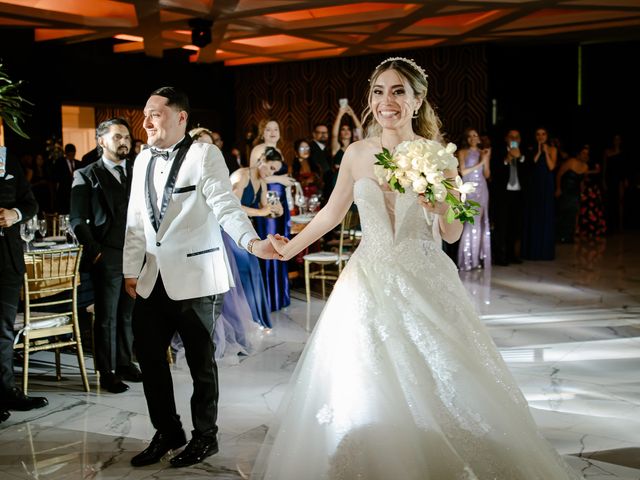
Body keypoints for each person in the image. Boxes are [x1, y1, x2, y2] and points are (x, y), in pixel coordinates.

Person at [254, 58, 582, 479]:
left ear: (417, 99)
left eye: (397, 91)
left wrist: (439, 203)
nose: (386, 101)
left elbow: (448, 234)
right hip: (366, 281)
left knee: (435, 380)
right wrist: (287, 249)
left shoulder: (438, 157)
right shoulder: (356, 153)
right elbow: (331, 214)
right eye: (378, 91)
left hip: (424, 278)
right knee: (368, 382)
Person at [123, 87, 278, 469]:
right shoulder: (143, 159)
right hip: (151, 277)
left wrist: (253, 242)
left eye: (155, 114)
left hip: (197, 277)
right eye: (145, 113)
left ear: (180, 118)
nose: (146, 122)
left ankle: (205, 437)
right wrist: (130, 269)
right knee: (150, 360)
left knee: (200, 364)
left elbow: (225, 206)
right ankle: (167, 431)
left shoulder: (205, 154)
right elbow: (136, 220)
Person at [70, 118, 141, 394]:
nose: (124, 141)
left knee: (127, 313)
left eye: (127, 137)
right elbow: (77, 219)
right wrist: (95, 252)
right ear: (101, 141)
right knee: (107, 316)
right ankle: (107, 371)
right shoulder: (86, 174)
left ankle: (125, 362)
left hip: (135, 252)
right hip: (107, 253)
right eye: (117, 137)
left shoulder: (136, 172)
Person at [0, 155, 48, 420]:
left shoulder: (9, 163)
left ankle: (6, 391)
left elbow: (30, 203)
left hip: (8, 259)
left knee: (4, 330)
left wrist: (14, 214)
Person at [229, 148, 284, 328]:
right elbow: (233, 207)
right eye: (270, 167)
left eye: (275, 171)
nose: (271, 172)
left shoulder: (262, 182)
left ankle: (255, 318)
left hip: (245, 229)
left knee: (253, 269)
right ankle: (241, 320)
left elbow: (264, 207)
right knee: (243, 270)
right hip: (230, 229)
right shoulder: (242, 175)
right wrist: (262, 211)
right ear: (261, 160)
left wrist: (276, 210)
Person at [456, 127, 491, 271]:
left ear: (479, 138)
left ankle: (476, 260)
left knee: (480, 224)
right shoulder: (462, 152)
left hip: (482, 188)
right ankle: (466, 260)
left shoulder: (483, 153)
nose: (472, 138)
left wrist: (485, 159)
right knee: (470, 223)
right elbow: (463, 171)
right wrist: (480, 163)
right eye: (469, 136)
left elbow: (487, 174)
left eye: (475, 135)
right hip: (468, 188)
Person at [491, 129, 526, 265]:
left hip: (518, 194)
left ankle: (512, 255)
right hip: (503, 195)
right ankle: (501, 257)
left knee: (515, 226)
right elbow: (494, 173)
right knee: (502, 226)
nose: (514, 139)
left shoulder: (523, 154)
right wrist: (507, 159)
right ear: (506, 138)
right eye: (511, 136)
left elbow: (528, 172)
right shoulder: (498, 152)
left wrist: (520, 158)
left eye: (516, 137)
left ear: (520, 139)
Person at [522, 127, 557, 260]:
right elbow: (532, 164)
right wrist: (538, 151)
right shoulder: (531, 149)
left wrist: (546, 152)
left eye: (543, 134)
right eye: (538, 134)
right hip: (534, 185)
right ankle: (532, 251)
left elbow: (552, 167)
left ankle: (545, 251)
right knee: (534, 214)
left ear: (547, 136)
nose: (541, 137)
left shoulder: (553, 149)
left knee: (545, 214)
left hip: (546, 185)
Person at [555, 144, 589, 243]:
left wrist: (582, 193)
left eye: (587, 154)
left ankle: (568, 237)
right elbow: (559, 174)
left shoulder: (585, 166)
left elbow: (582, 181)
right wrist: (558, 188)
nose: (585, 155)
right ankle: (558, 237)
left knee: (573, 214)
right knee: (562, 213)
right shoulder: (571, 161)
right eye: (583, 153)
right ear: (579, 153)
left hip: (575, 192)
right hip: (565, 190)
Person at [330, 103, 363, 188]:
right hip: (339, 179)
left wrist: (352, 114)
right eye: (343, 129)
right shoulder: (337, 148)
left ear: (352, 132)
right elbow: (334, 135)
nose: (346, 131)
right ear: (340, 133)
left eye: (348, 129)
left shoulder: (356, 147)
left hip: (354, 179)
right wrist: (340, 114)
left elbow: (360, 131)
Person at [52, 143, 78, 213]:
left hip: (76, 194)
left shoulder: (78, 163)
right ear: (66, 154)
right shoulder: (59, 163)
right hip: (63, 194)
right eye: (69, 155)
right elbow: (56, 179)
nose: (71, 157)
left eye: (73, 155)